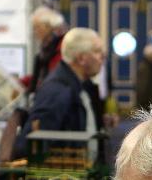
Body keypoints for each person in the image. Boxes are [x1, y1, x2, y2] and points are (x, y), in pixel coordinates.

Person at [15, 28, 106, 159]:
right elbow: (33, 143)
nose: (102, 57)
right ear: (81, 58)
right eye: (97, 51)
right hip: (64, 175)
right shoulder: (57, 90)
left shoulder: (78, 85)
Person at [26, 6, 67, 94]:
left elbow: (53, 75)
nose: (34, 31)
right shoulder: (46, 48)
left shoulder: (62, 47)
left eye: (37, 27)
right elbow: (40, 75)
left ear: (49, 27)